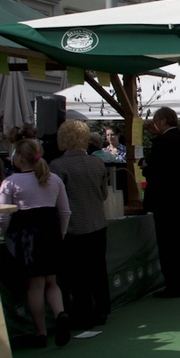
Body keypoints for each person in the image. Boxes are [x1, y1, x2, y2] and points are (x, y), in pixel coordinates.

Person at [0, 139, 71, 349]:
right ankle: (60, 313)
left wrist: (6, 236)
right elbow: (65, 211)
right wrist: (61, 234)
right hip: (51, 232)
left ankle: (40, 331)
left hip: (26, 236)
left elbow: (1, 217)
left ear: (19, 158)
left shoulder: (10, 182)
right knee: (51, 282)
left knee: (35, 285)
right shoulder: (54, 179)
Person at [50, 121, 110, 330]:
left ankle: (83, 314)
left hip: (73, 226)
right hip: (97, 222)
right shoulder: (97, 164)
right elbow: (103, 194)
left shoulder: (57, 166)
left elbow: (55, 200)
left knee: (77, 274)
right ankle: (102, 307)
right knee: (98, 268)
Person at [144, 106, 180, 298]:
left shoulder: (164, 141)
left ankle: (173, 284)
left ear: (164, 121)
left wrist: (145, 167)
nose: (155, 123)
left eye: (156, 120)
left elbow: (157, 169)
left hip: (165, 197)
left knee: (167, 243)